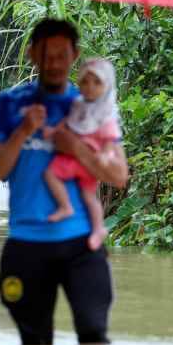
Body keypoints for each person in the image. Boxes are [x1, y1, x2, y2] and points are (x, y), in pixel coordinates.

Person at [0, 19, 128, 345]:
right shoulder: (9, 104)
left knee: (93, 337)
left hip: (82, 245)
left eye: (62, 55)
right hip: (25, 243)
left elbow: (118, 175)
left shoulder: (90, 107)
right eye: (47, 55)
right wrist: (22, 131)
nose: (54, 63)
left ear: (75, 55)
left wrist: (75, 146)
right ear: (32, 54)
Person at [43, 57, 122, 251]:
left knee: (89, 196)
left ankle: (98, 229)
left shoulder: (107, 114)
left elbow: (110, 141)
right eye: (85, 82)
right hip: (72, 159)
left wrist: (104, 155)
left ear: (107, 85)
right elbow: (67, 124)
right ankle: (65, 207)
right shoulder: (77, 106)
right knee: (50, 174)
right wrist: (53, 132)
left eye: (97, 82)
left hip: (89, 159)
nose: (90, 87)